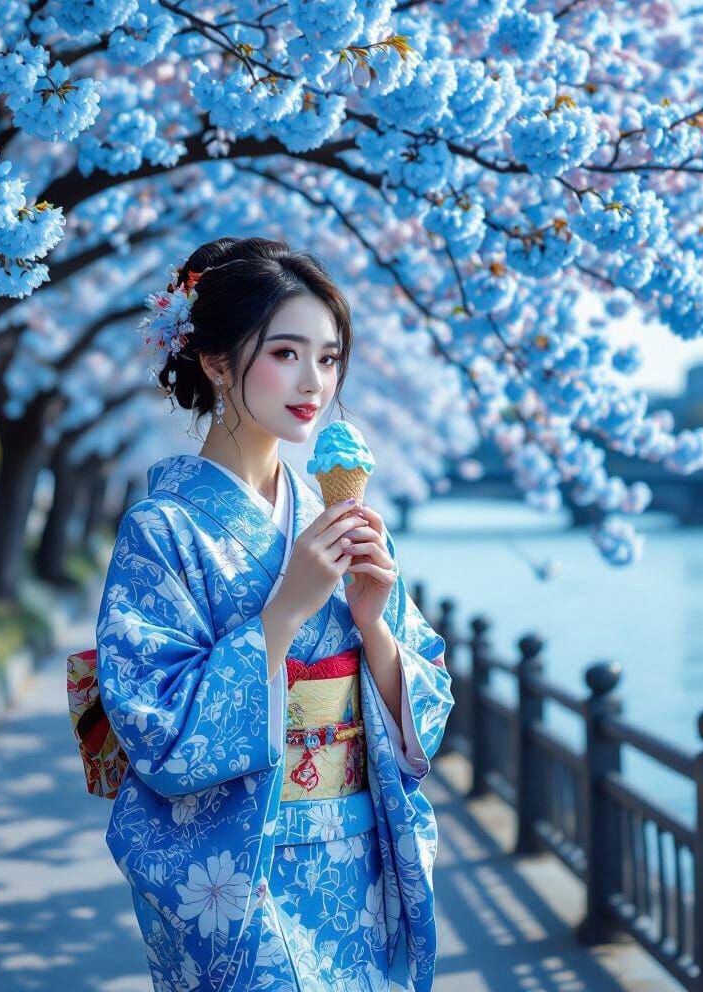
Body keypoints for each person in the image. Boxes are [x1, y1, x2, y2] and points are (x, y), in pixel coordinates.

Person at [96, 236, 454, 992]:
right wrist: (285, 611)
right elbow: (154, 726)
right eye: (286, 352)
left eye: (328, 358)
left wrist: (374, 626)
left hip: (356, 858)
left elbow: (430, 705)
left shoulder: (338, 514)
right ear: (215, 360)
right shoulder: (163, 529)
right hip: (237, 869)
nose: (314, 382)